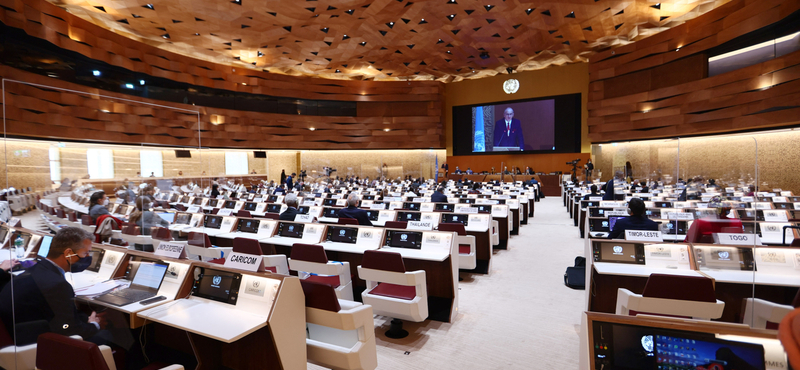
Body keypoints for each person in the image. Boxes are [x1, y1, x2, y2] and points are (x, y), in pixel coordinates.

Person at [0, 227, 105, 345]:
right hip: (33, 345)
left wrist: (85, 319)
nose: (88, 257)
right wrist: (94, 325)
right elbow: (69, 329)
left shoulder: (36, 269)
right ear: (68, 253)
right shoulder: (57, 285)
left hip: (16, 333)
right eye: (85, 253)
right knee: (108, 336)